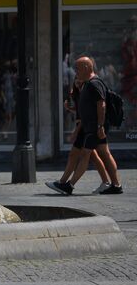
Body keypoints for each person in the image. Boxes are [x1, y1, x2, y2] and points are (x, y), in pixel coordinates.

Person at [47, 57, 123, 195]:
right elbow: (89, 108)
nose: (75, 72)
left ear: (87, 68)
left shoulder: (94, 84)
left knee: (86, 155)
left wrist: (100, 126)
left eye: (78, 68)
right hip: (91, 127)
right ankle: (116, 185)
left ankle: (69, 186)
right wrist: (72, 110)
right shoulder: (88, 84)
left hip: (94, 128)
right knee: (104, 154)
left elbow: (102, 105)